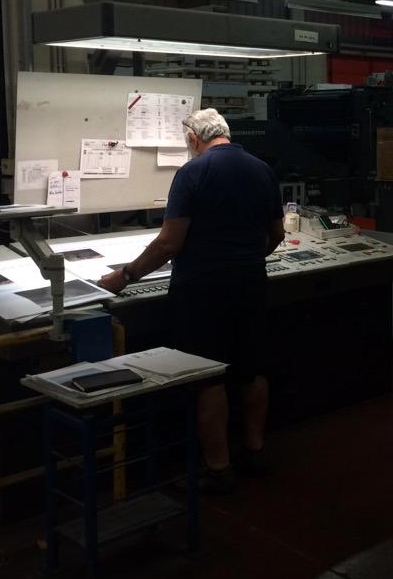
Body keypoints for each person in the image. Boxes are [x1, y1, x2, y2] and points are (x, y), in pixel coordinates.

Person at [98, 108, 284, 494]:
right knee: (253, 368)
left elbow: (169, 242)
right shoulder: (261, 169)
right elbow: (276, 234)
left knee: (208, 376)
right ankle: (255, 451)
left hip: (202, 289)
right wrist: (246, 257)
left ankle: (218, 468)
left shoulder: (192, 173)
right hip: (250, 282)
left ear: (192, 139)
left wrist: (125, 275)